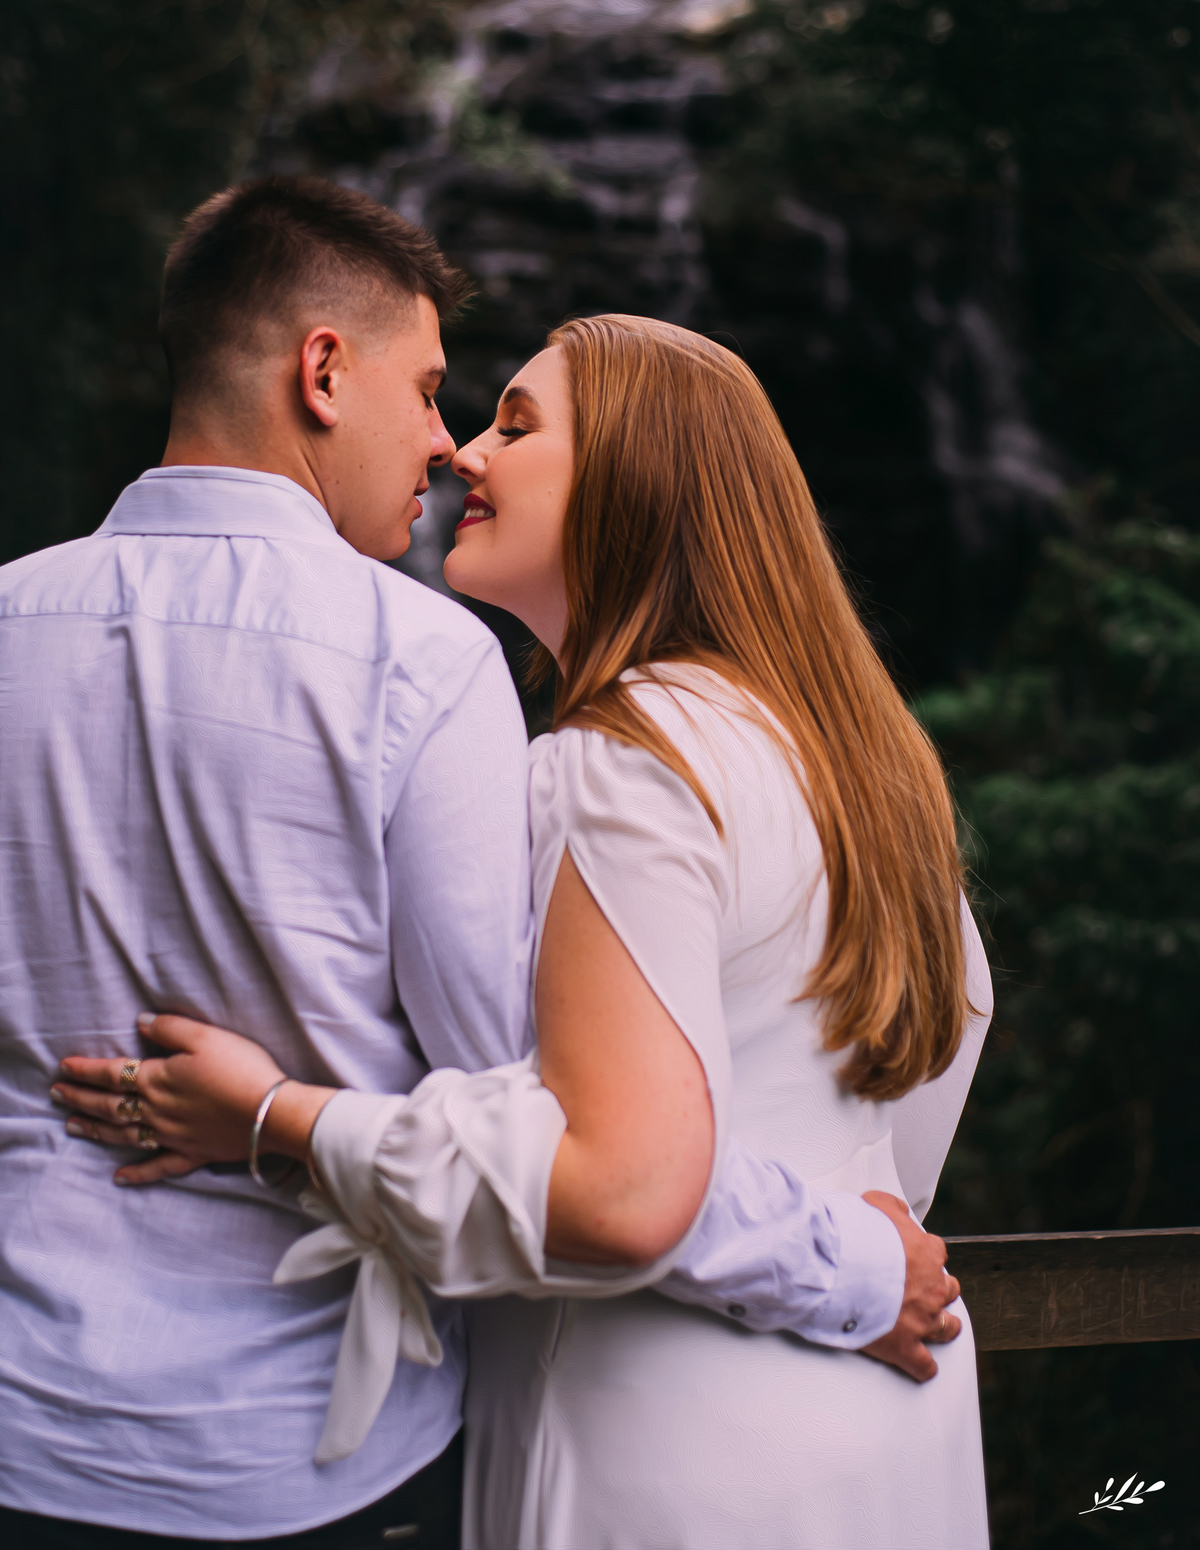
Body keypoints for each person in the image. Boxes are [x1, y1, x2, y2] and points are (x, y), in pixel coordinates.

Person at [2, 180, 956, 1550]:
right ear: (322, 371)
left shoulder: (8, 617)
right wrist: (858, 1259)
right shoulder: (420, 658)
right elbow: (542, 1116)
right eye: (438, 390)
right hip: (307, 1448)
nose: (444, 447)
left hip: (25, 1417)